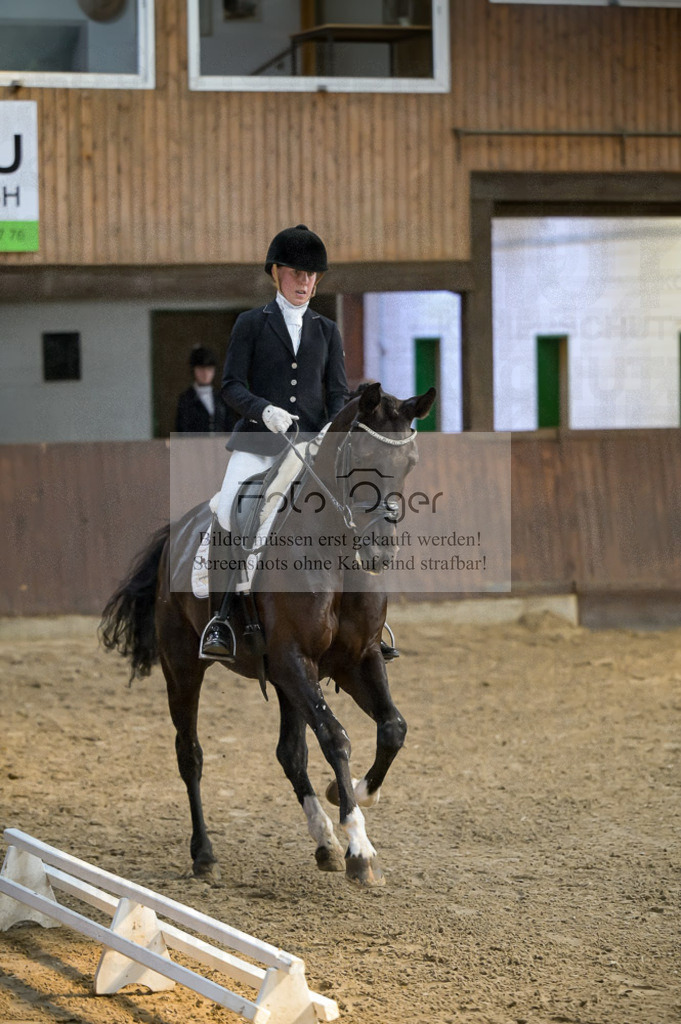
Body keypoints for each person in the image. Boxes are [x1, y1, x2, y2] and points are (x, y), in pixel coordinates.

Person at [201, 224, 349, 658]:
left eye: (311, 275)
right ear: (276, 273)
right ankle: (223, 617)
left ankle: (365, 622)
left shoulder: (328, 330)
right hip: (257, 446)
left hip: (310, 452)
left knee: (351, 516)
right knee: (232, 508)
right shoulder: (251, 323)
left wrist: (330, 430)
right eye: (296, 273)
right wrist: (264, 411)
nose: (305, 283)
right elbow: (230, 385)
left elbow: (338, 392)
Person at [174, 345, 233, 434]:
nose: (205, 374)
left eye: (209, 369)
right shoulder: (186, 399)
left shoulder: (221, 397)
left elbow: (229, 426)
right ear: (194, 370)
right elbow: (182, 430)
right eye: (201, 369)